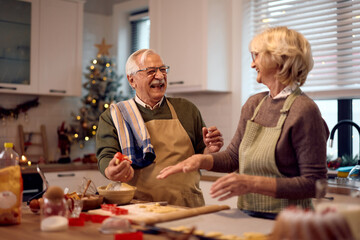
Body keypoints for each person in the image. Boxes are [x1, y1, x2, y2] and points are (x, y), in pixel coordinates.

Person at [157, 26, 329, 218]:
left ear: (279, 59)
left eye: (256, 56)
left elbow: (315, 184)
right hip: (247, 215)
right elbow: (233, 158)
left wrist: (251, 183)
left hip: (290, 223)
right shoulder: (254, 104)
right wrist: (200, 160)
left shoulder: (304, 110)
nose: (252, 64)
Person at [96, 49, 223, 207]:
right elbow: (106, 158)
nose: (160, 76)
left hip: (187, 206)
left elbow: (202, 154)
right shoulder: (115, 116)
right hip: (140, 208)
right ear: (132, 80)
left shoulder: (187, 109)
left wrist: (211, 149)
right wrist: (111, 170)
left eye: (163, 70)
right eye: (150, 71)